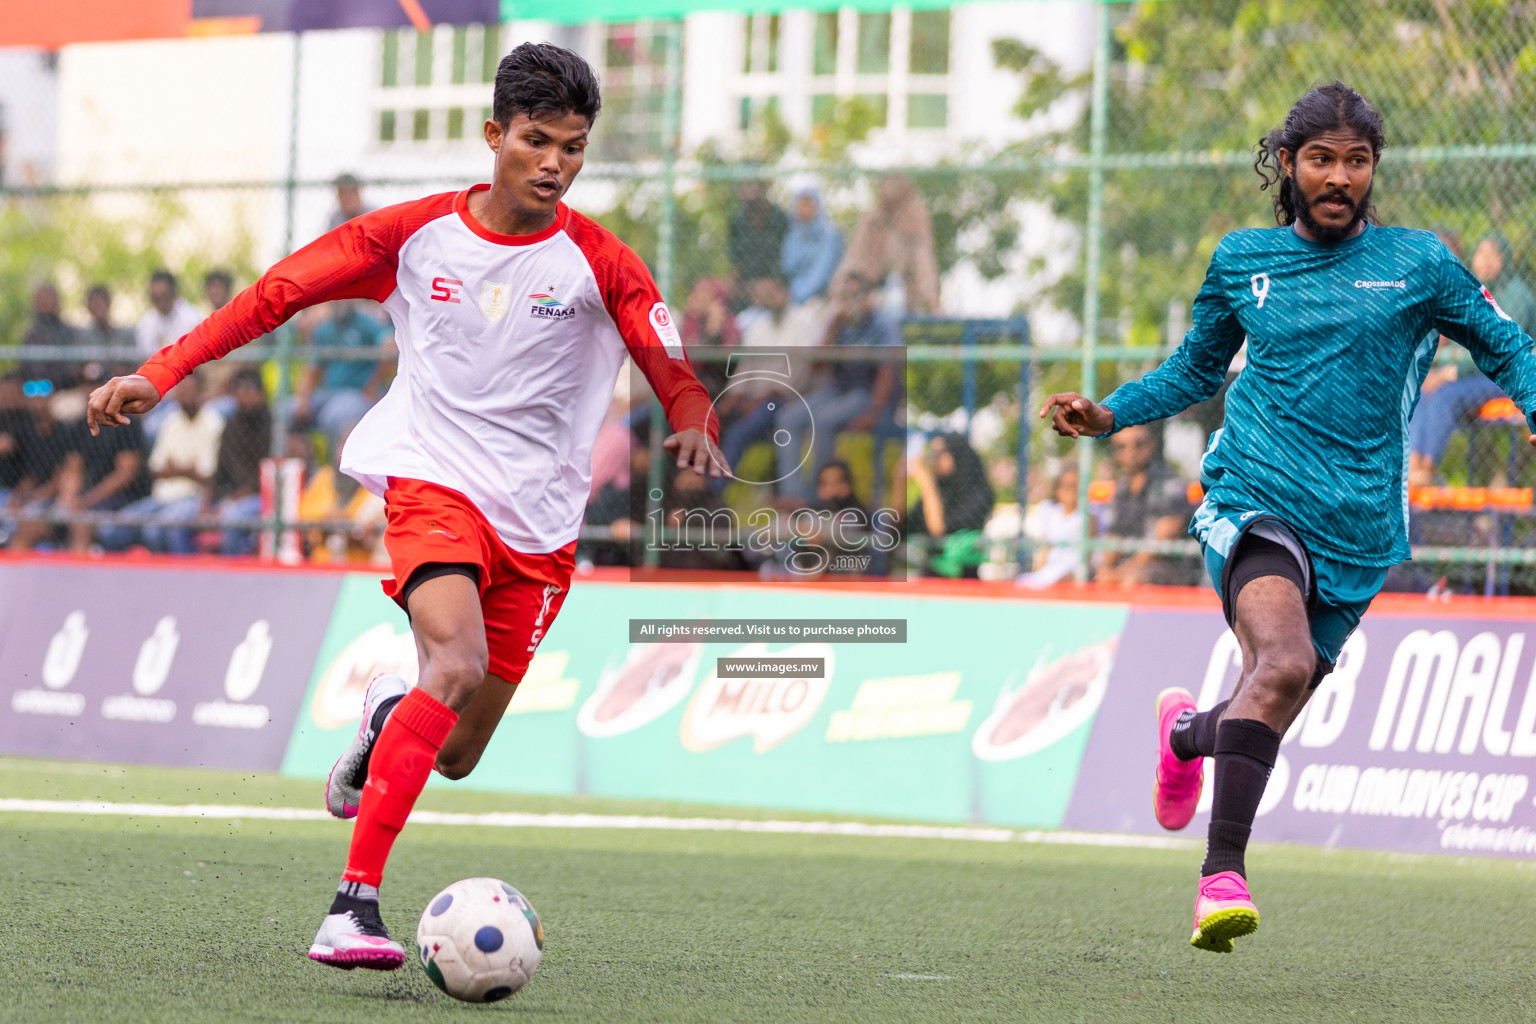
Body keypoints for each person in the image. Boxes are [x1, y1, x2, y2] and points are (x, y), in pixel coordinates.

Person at [86, 43, 724, 973]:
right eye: (538, 142)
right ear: (493, 134)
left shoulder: (598, 260)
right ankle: (352, 907)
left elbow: (670, 360)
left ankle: (390, 716)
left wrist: (693, 418)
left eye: (575, 149)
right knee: (456, 659)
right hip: (432, 480)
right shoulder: (414, 236)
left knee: (457, 748)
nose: (555, 165)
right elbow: (275, 296)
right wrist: (161, 371)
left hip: (540, 524)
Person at [1040, 82, 1536, 954]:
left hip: (1361, 529)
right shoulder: (1243, 260)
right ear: (1288, 165)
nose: (1340, 176)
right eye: (1321, 159)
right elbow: (1196, 371)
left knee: (1268, 698)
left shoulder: (1422, 264)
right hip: (1255, 498)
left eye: (1356, 161)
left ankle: (1185, 734)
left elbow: (1507, 346)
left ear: (1373, 167)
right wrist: (1110, 413)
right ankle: (1219, 878)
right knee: (1284, 659)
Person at [1408, 232, 1536, 484]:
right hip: (1477, 376)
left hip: (1510, 381)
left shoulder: (1516, 293)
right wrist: (1445, 366)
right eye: (1481, 254)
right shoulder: (1476, 291)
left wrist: (1452, 371)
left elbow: (1504, 352)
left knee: (1446, 394)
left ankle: (1427, 468)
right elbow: (1461, 346)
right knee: (1423, 391)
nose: (1485, 261)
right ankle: (1414, 463)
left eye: (1493, 255)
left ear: (1505, 260)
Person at [773, 270, 899, 499]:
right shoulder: (837, 322)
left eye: (856, 294)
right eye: (846, 295)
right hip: (836, 390)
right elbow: (818, 364)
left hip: (865, 393)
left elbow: (888, 370)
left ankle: (817, 496)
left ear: (868, 296)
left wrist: (874, 410)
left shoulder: (882, 324)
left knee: (822, 421)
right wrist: (833, 327)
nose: (851, 300)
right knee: (788, 417)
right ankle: (793, 495)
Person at [98, 374, 223, 554]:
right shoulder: (171, 421)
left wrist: (175, 469)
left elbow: (207, 475)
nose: (184, 395)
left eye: (189, 390)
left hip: (194, 497)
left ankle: (181, 577)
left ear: (200, 392)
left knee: (156, 530)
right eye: (181, 390)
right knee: (112, 529)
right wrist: (186, 469)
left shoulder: (213, 421)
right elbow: (156, 469)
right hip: (162, 496)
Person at [1094, 423, 1197, 586]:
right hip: (1130, 566)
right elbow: (1113, 536)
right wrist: (1105, 569)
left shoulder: (1169, 484)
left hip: (1169, 567)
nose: (1131, 452)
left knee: (1134, 579)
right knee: (1089, 574)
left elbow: (1160, 543)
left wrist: (1118, 574)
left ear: (1151, 444)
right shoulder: (1121, 489)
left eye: (1138, 444)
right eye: (1122, 447)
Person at [292, 300, 395, 449]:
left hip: (355, 394)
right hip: (329, 393)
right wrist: (302, 399)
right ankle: (307, 468)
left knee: (333, 416)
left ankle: (338, 469)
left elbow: (390, 348)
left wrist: (373, 384)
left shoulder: (367, 323)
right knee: (287, 412)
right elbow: (312, 370)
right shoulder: (324, 328)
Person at [834, 174, 940, 314]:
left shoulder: (915, 220)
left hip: (908, 298)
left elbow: (924, 268)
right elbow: (854, 261)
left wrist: (931, 302)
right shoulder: (871, 221)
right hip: (869, 294)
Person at [904, 432, 992, 577]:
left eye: (939, 453)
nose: (933, 459)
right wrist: (899, 482)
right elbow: (900, 528)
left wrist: (927, 484)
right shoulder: (941, 490)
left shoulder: (979, 494)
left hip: (962, 580)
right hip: (930, 579)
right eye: (931, 453)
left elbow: (938, 529)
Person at [206, 369, 272, 556]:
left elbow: (269, 467)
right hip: (232, 495)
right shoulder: (232, 424)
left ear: (261, 394)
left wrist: (245, 492)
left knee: (232, 517)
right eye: (240, 391)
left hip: (263, 496)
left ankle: (232, 569)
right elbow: (219, 470)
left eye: (250, 390)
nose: (245, 396)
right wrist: (206, 502)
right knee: (181, 519)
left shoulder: (271, 424)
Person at [1018, 465, 1083, 589]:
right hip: (1051, 571)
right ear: (1058, 490)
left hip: (1071, 572)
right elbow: (1046, 547)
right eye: (1069, 487)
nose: (1074, 492)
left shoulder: (1087, 517)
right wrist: (1038, 571)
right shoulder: (1051, 513)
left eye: (1078, 487)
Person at [780, 186, 842, 306]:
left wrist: (795, 298)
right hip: (789, 297)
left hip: (821, 297)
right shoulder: (793, 234)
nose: (803, 208)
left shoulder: (830, 235)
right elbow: (787, 266)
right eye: (800, 203)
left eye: (808, 203)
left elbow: (821, 274)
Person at [728, 179, 789, 299]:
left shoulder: (778, 217)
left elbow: (787, 256)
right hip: (745, 283)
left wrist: (774, 281)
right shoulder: (738, 221)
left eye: (752, 185)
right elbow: (736, 261)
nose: (749, 191)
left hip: (774, 281)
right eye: (745, 186)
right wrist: (732, 285)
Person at [18, 282, 79, 390]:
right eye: (41, 298)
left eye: (48, 297)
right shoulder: (31, 334)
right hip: (35, 389)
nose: (44, 302)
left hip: (64, 388)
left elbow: (72, 369)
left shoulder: (69, 332)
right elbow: (26, 368)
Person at [134, 270, 204, 358]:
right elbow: (145, 356)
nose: (161, 302)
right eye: (156, 298)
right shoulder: (146, 321)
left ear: (174, 293)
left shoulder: (191, 317)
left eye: (165, 296)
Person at [78, 284, 138, 384]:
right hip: (94, 385)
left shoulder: (125, 335)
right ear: (88, 307)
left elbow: (135, 365)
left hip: (123, 383)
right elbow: (79, 369)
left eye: (101, 302)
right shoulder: (84, 337)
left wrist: (123, 371)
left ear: (109, 304)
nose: (99, 307)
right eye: (94, 304)